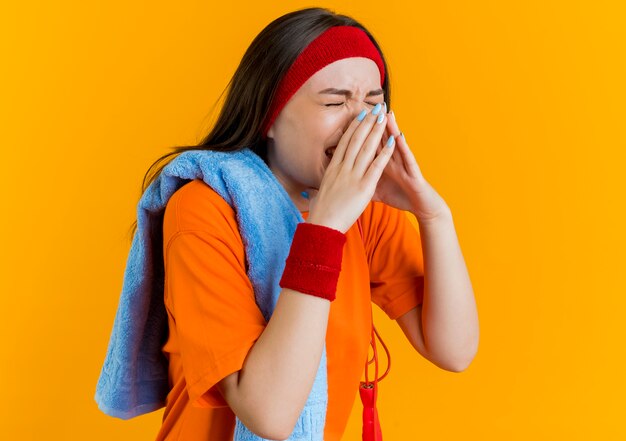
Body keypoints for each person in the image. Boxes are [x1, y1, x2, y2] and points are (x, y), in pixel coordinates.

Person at [129, 6, 478, 441]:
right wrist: (325, 232)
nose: (359, 122)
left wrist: (434, 215)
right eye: (335, 102)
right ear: (269, 115)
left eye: (373, 102)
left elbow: (454, 350)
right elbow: (270, 415)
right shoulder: (202, 210)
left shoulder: (365, 212)